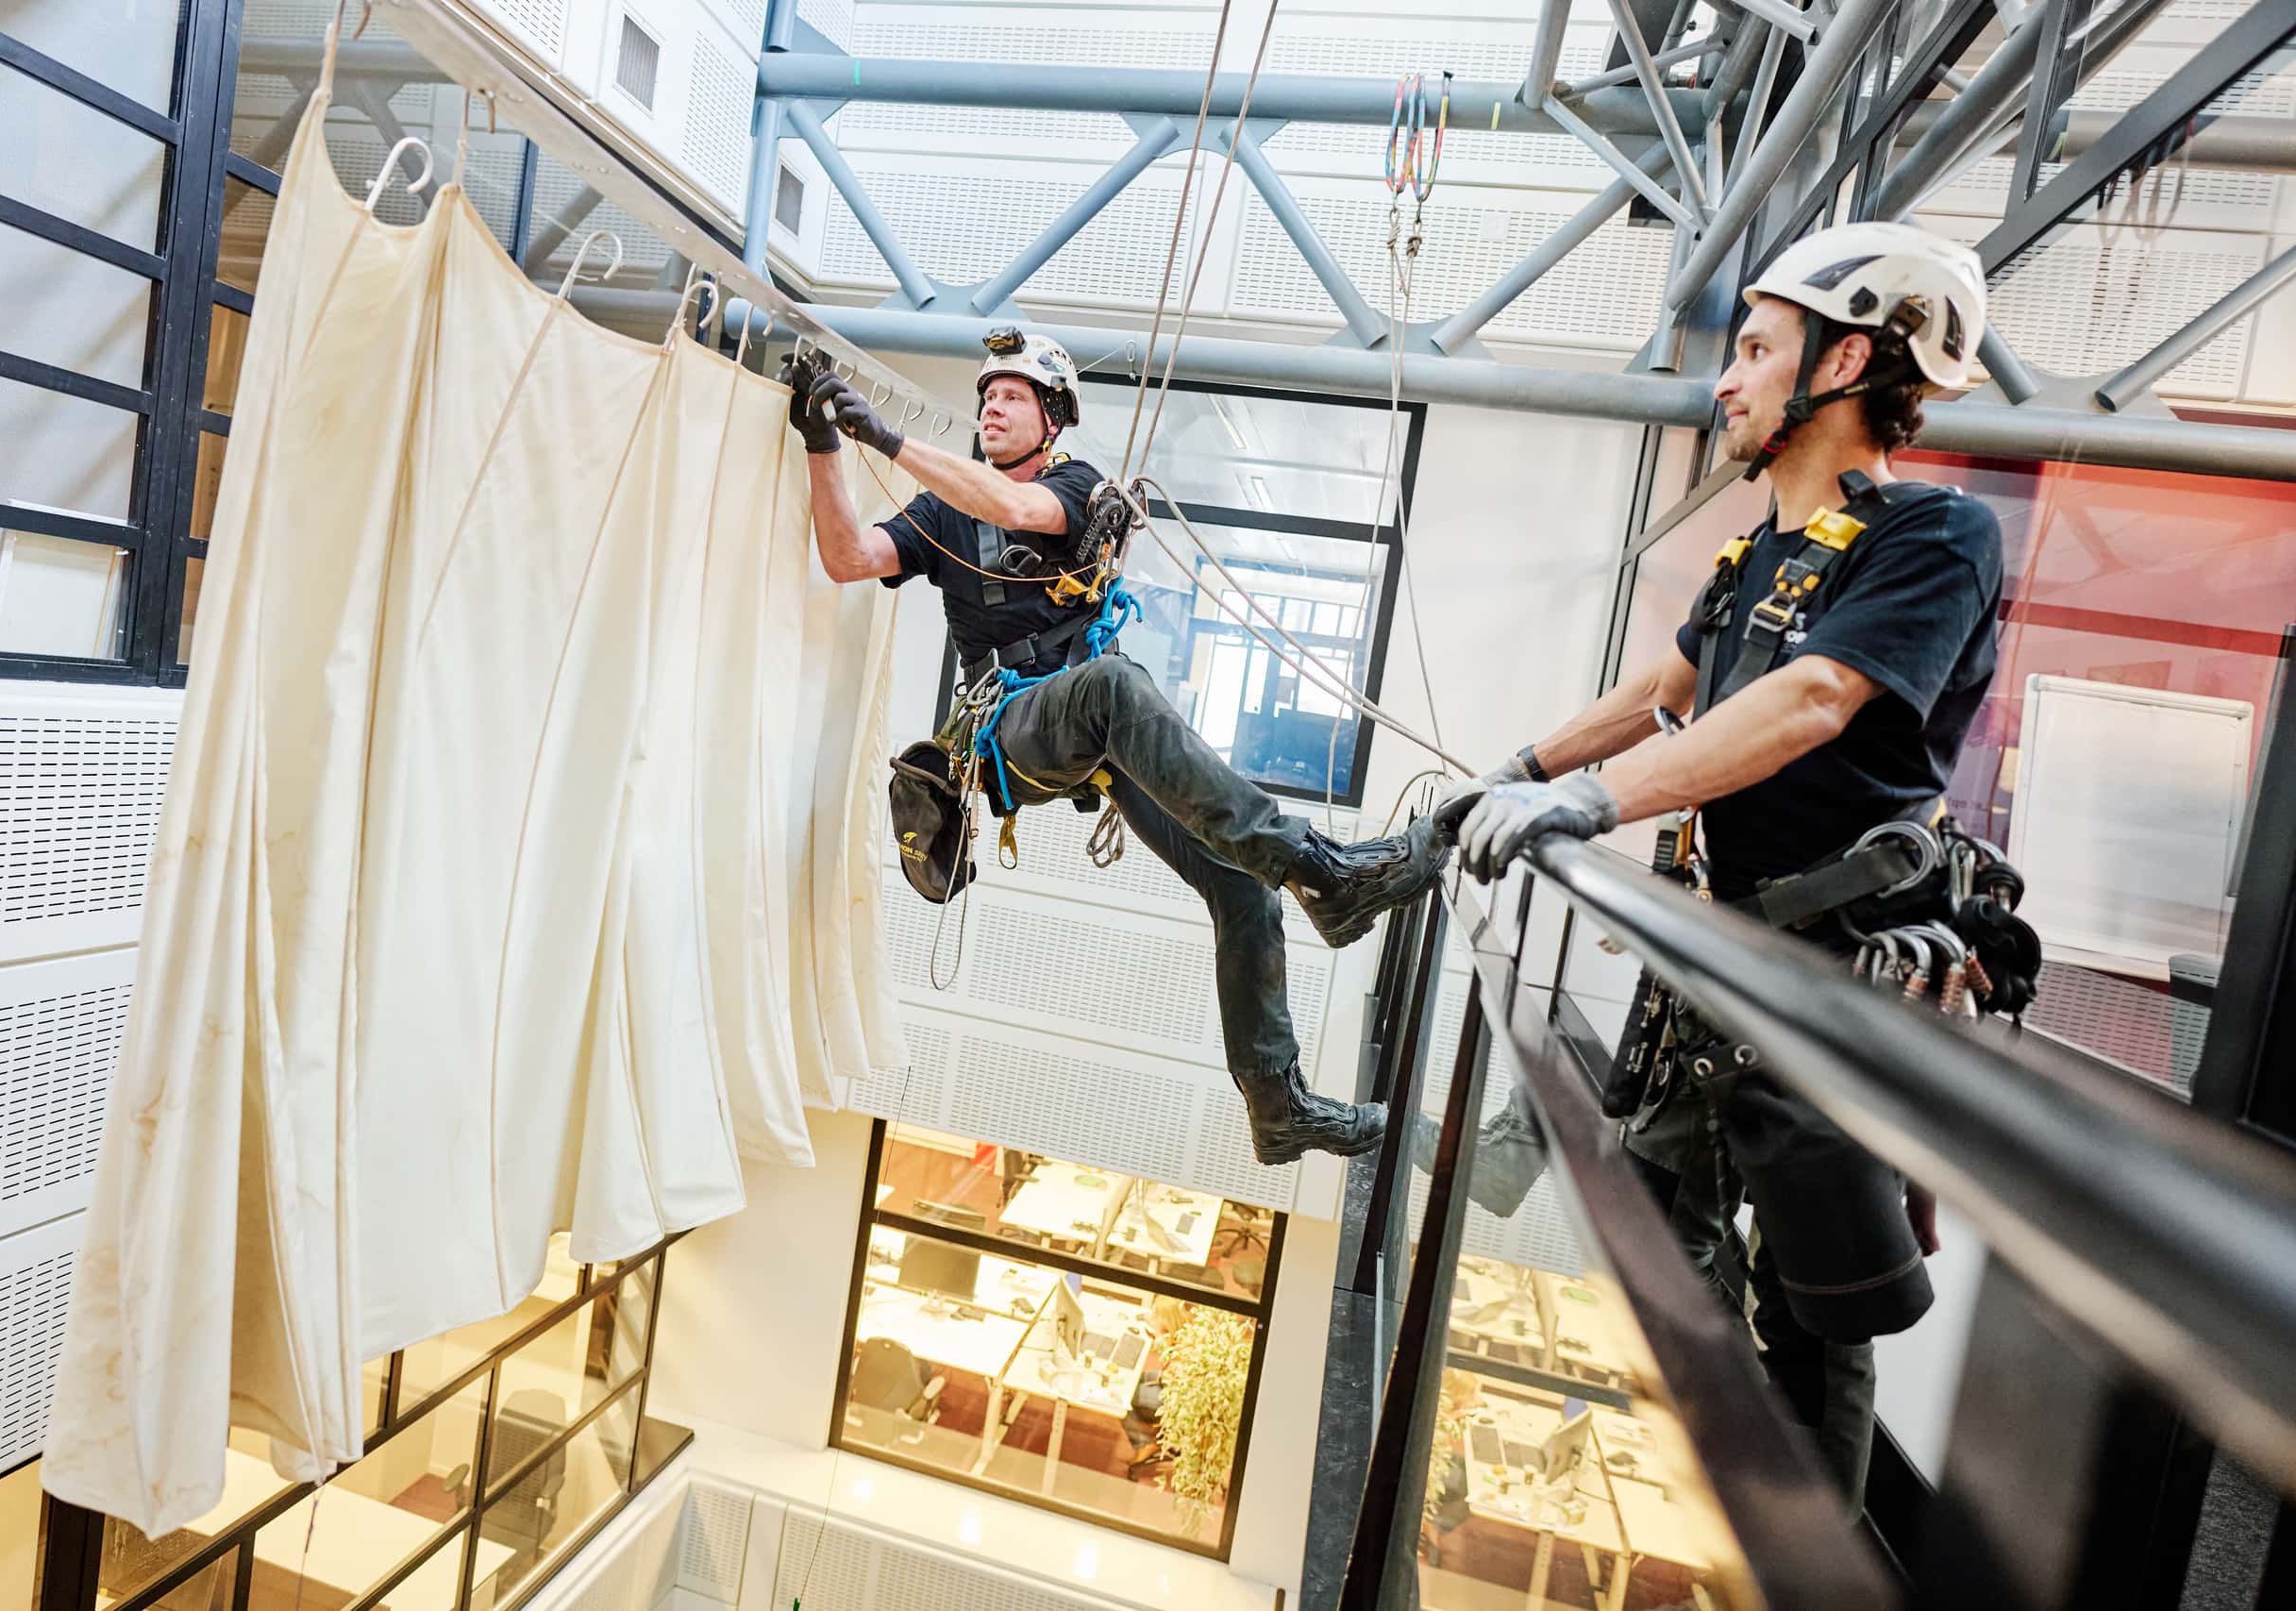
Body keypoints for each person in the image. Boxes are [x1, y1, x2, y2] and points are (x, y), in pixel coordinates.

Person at [1449, 220, 2001, 1505]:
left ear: (1844, 359)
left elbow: (1815, 698)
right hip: (1719, 962)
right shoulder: (1757, 554)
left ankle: (1817, 1556)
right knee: (1657, 1250)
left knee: (1815, 1313)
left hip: (1833, 976)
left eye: (1755, 349)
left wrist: (1587, 801)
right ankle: (1721, 1497)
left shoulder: (1932, 536)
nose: (1726, 379)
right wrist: (1516, 770)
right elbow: (1665, 690)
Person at [789, 327, 1450, 1166]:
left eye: (1014, 396)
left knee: (1246, 887)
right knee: (1112, 684)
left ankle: (1277, 1106)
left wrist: (886, 437)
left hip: (1094, 737)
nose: (993, 405)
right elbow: (848, 556)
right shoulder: (939, 510)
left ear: (1052, 419)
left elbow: (1017, 510)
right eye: (987, 394)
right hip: (1009, 729)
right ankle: (1325, 872)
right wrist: (823, 445)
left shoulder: (1072, 485)